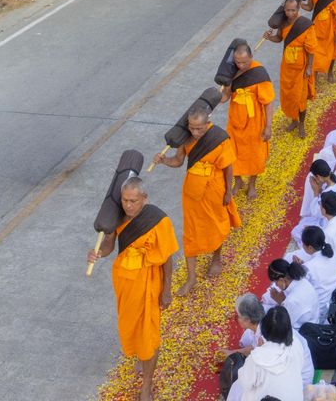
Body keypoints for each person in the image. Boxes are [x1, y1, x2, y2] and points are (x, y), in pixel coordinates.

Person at [86, 178, 178, 401]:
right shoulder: (118, 216)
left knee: (149, 333)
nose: (128, 205)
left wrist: (166, 290)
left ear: (144, 199)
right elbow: (109, 244)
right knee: (131, 325)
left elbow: (167, 258)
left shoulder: (158, 220)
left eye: (133, 201)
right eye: (125, 200)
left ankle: (147, 385)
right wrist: (98, 253)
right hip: (125, 282)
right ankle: (141, 355)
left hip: (149, 283)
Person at [153, 107, 240, 295]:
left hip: (215, 190)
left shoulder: (218, 137)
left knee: (215, 225)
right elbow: (178, 161)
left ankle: (216, 258)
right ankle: (191, 277)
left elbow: (228, 167)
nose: (196, 132)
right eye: (192, 128)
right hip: (192, 193)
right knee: (191, 232)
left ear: (207, 123)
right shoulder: (185, 138)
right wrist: (163, 160)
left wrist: (228, 191)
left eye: (199, 128)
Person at [220, 41, 275, 201]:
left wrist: (268, 126)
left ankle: (252, 184)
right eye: (238, 62)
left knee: (255, 155)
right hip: (235, 122)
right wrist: (225, 87)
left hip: (254, 123)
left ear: (251, 57)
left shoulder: (259, 73)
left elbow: (268, 102)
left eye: (245, 61)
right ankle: (238, 181)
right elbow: (224, 98)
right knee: (233, 153)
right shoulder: (231, 72)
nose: (241, 65)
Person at [263, 0, 316, 138]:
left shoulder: (305, 24)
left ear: (298, 8)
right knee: (290, 95)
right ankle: (294, 119)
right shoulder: (283, 23)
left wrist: (309, 67)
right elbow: (280, 38)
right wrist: (269, 37)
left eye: (293, 10)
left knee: (300, 97)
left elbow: (311, 49)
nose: (290, 13)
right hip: (287, 66)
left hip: (301, 67)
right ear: (284, 10)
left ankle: (302, 124)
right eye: (287, 10)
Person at [230, 305, 304, 401]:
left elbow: (245, 383)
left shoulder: (257, 358)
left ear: (264, 330)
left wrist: (259, 350)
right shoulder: (296, 343)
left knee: (237, 388)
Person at [289, 225, 336, 321]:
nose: (302, 246)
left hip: (319, 307)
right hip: (330, 298)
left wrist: (299, 268)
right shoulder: (333, 253)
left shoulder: (309, 267)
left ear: (310, 247)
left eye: (303, 244)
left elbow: (300, 287)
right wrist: (303, 265)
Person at [262, 258, 318, 329]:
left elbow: (283, 326)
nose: (276, 285)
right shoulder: (303, 281)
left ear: (282, 280)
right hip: (312, 321)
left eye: (276, 282)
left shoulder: (291, 301)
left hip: (304, 332)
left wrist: (281, 302)